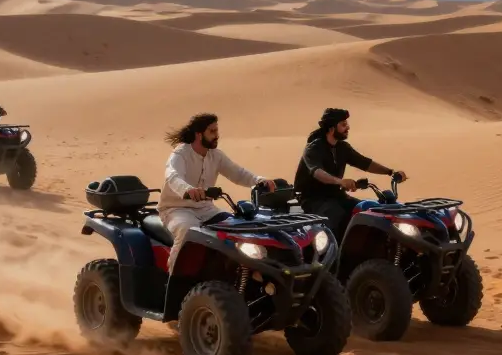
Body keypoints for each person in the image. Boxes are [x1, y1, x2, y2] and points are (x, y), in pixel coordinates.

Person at [160, 113, 274, 271]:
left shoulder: (216, 155)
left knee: (236, 229)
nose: (217, 135)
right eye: (212, 131)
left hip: (207, 209)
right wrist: (187, 190)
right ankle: (174, 280)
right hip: (176, 209)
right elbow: (173, 176)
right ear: (199, 134)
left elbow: (238, 173)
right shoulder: (180, 154)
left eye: (216, 131)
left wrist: (258, 180)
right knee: (188, 230)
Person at [293, 108, 406, 241]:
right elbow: (317, 172)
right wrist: (340, 182)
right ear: (331, 128)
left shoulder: (342, 147)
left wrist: (390, 172)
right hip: (313, 198)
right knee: (336, 215)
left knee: (367, 210)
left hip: (336, 195)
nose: (348, 127)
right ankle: (330, 256)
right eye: (343, 124)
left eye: (347, 124)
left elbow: (365, 163)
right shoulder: (313, 148)